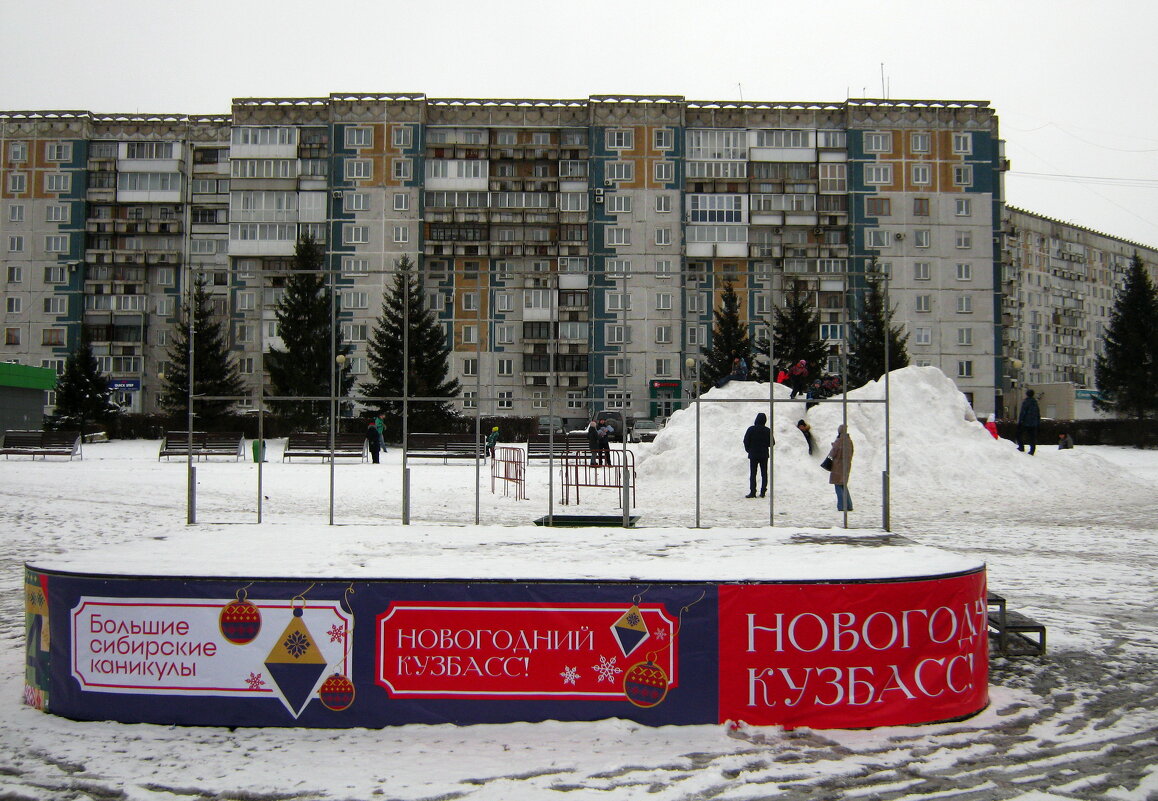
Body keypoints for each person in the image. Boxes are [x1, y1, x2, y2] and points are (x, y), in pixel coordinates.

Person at [743, 412, 772, 498]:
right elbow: (772, 442)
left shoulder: (751, 429)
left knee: (753, 474)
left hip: (753, 455)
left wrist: (748, 450)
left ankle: (752, 492)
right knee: (764, 473)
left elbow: (745, 441)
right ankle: (763, 491)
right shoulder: (767, 430)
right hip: (764, 455)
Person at [827, 424, 854, 511]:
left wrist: (833, 445)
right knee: (843, 485)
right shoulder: (849, 441)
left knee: (838, 485)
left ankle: (842, 505)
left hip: (838, 466)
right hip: (846, 465)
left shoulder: (839, 441)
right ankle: (849, 505)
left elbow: (832, 453)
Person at [1017, 389, 1041, 455]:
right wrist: (1038, 422)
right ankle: (1032, 450)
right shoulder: (1035, 402)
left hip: (1026, 422)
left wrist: (1020, 421)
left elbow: (1023, 412)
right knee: (1032, 437)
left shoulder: (1026, 402)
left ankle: (1021, 447)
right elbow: (1038, 413)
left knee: (1019, 434)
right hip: (1034, 423)